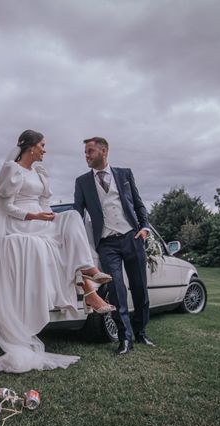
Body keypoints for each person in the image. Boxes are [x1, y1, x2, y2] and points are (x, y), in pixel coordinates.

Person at [0, 130, 115, 373]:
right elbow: (7, 207)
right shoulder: (11, 171)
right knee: (59, 237)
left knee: (73, 216)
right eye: (42, 145)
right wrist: (35, 215)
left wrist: (51, 217)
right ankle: (88, 288)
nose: (45, 150)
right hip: (21, 221)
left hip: (41, 219)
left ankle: (88, 271)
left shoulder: (40, 173)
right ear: (31, 147)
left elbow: (45, 205)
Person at [73, 136, 154, 355]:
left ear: (104, 151)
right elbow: (76, 214)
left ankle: (141, 332)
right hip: (106, 243)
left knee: (140, 289)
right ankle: (125, 338)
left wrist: (144, 228)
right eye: (86, 152)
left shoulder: (125, 174)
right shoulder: (82, 182)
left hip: (132, 237)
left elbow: (138, 205)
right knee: (116, 290)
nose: (86, 156)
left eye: (90, 151)